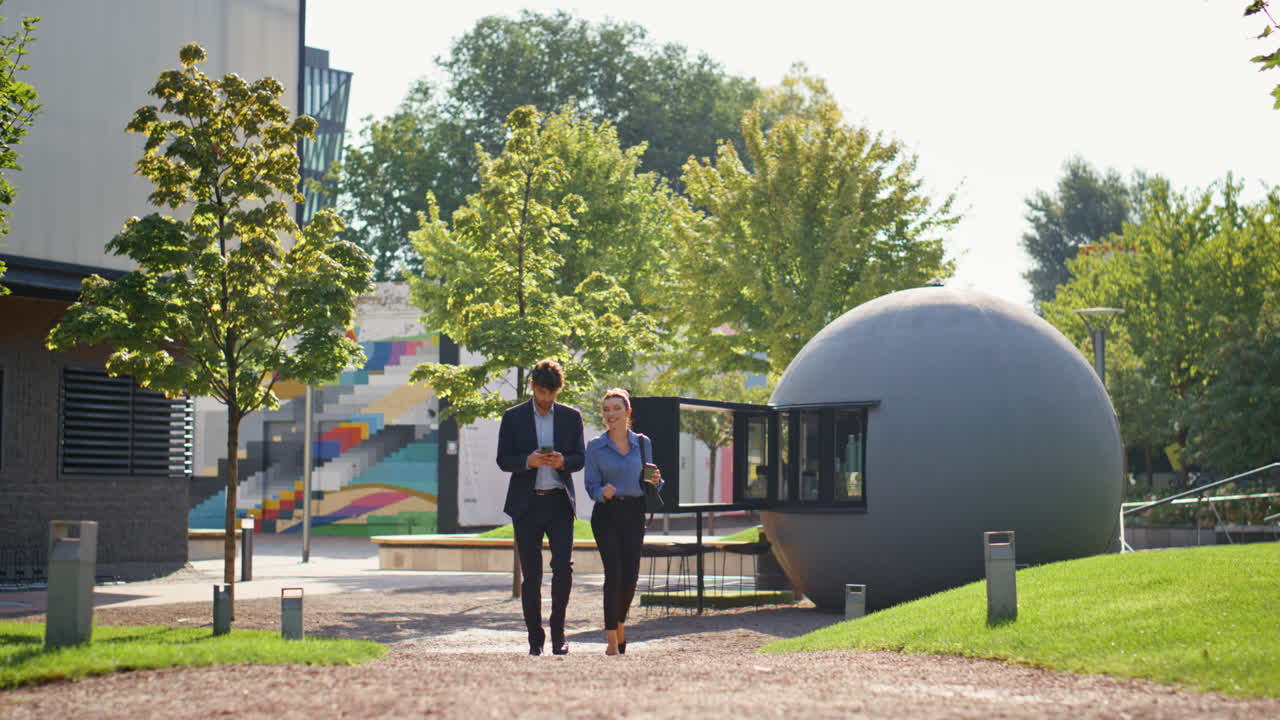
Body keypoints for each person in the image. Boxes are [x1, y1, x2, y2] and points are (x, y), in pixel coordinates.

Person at [495, 359, 586, 656]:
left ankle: (559, 632)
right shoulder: (513, 417)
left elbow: (580, 458)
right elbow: (503, 459)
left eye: (553, 393)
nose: (547, 399)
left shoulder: (571, 417)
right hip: (526, 504)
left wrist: (563, 461)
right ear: (532, 386)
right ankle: (535, 638)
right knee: (531, 575)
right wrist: (528, 461)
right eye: (543, 392)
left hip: (559, 501)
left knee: (563, 568)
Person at [584, 387, 663, 656]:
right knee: (614, 574)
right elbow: (590, 484)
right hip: (606, 514)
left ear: (628, 412)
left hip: (634, 512)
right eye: (606, 409)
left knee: (630, 576)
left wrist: (656, 480)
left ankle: (619, 625)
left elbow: (651, 480)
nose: (611, 414)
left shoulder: (643, 443)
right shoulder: (595, 446)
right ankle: (610, 640)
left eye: (617, 408)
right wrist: (601, 492)